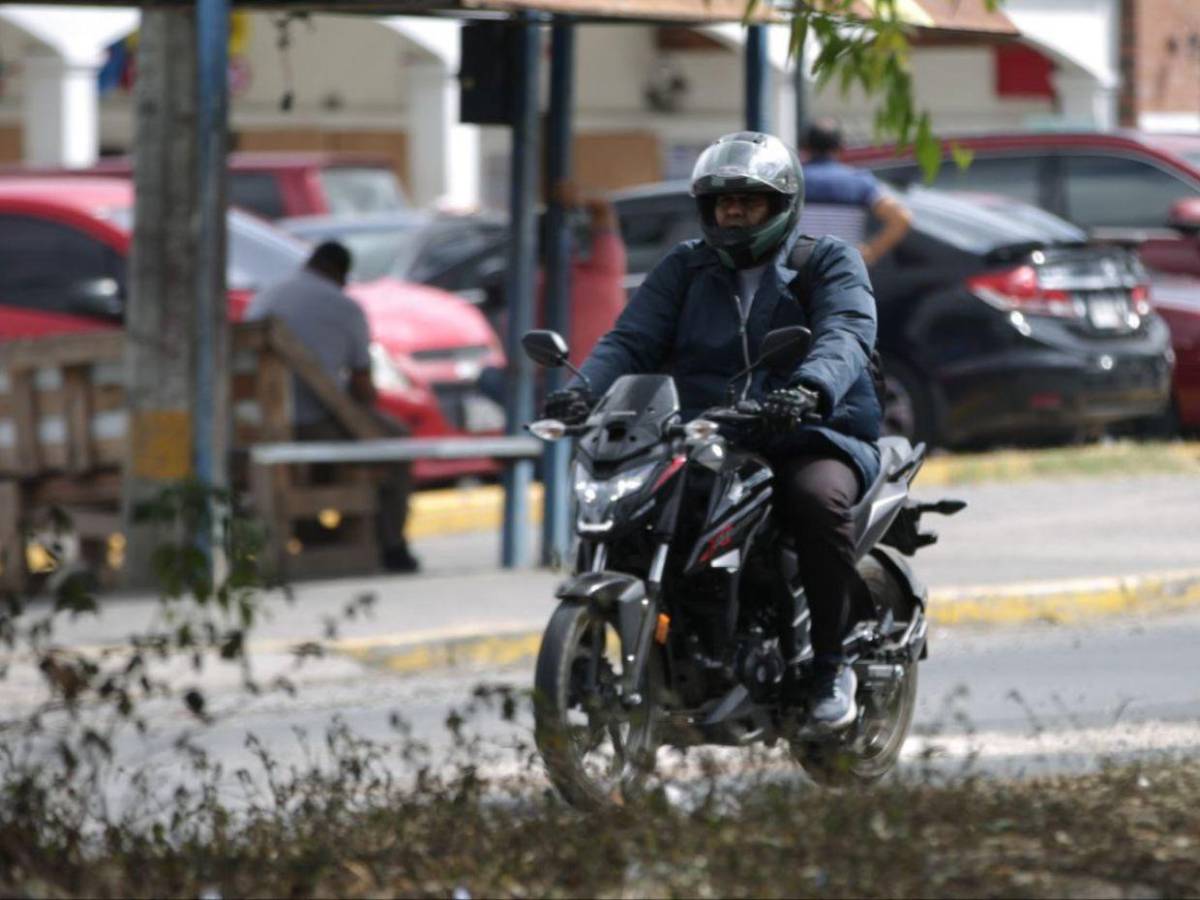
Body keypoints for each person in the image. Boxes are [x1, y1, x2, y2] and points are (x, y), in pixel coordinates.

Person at [543, 131, 882, 730]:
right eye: (722, 202)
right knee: (644, 510)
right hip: (707, 434)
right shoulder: (686, 265)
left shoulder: (825, 260)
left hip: (812, 431)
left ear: (782, 206)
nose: (732, 213)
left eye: (748, 201)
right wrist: (582, 391)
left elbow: (847, 333)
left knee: (815, 500)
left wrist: (808, 390)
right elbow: (631, 339)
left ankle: (830, 664)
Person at [245, 241, 420, 574]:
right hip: (313, 420)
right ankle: (392, 545)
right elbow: (363, 388)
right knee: (395, 442)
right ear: (340, 273)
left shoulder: (266, 296)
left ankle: (315, 534)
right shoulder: (345, 307)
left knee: (339, 437)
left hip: (257, 424)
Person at [801, 117, 911, 267]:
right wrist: (871, 252)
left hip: (799, 270)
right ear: (841, 148)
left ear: (805, 147)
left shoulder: (795, 180)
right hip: (843, 270)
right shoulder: (860, 182)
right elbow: (901, 218)